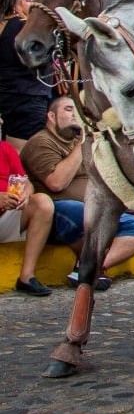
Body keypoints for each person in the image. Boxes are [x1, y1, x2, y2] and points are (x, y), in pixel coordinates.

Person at [21, 96, 134, 290]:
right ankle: (90, 266)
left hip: (89, 211)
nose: (74, 114)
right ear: (51, 116)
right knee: (85, 211)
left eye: (76, 110)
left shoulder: (79, 141)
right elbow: (57, 183)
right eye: (68, 109)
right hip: (59, 211)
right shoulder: (41, 142)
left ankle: (88, 269)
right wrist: (82, 144)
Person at [0, 121, 56, 295]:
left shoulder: (5, 149)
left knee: (42, 202)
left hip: (5, 218)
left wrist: (25, 195)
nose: (1, 123)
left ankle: (26, 277)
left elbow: (25, 181)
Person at [0, 0, 52, 147]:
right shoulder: (22, 27)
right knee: (25, 155)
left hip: (11, 95)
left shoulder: (5, 26)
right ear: (14, 3)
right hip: (28, 97)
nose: (33, 2)